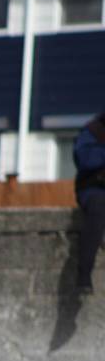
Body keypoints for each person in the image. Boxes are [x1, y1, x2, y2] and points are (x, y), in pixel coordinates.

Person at [74, 111, 105, 294]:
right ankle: (84, 275)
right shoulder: (92, 130)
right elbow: (85, 159)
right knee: (99, 205)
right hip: (93, 189)